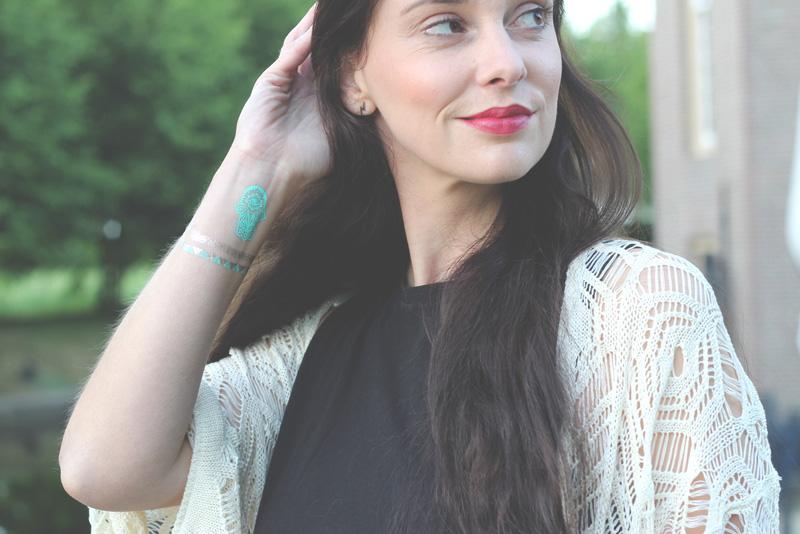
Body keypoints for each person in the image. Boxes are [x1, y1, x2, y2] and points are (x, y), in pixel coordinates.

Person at [59, 0, 782, 532]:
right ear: (353, 77)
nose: (507, 62)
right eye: (446, 24)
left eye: (531, 17)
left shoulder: (637, 316)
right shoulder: (304, 356)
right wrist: (258, 166)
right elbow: (104, 468)